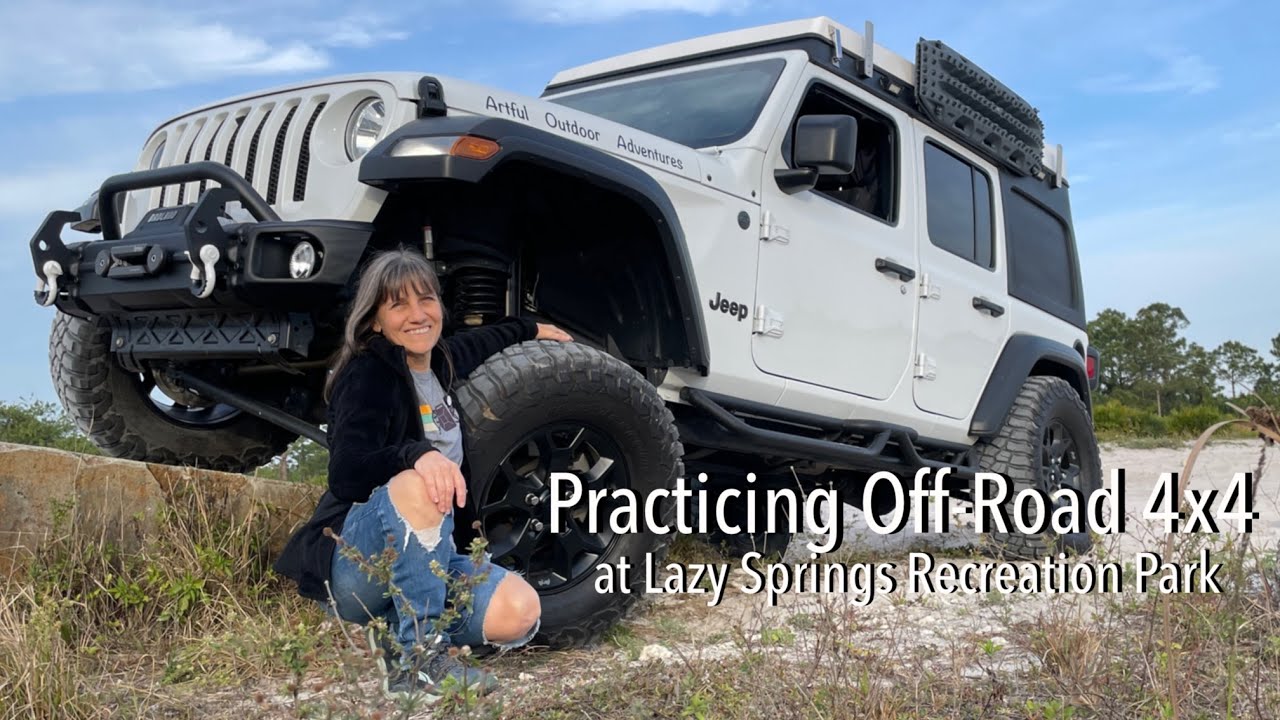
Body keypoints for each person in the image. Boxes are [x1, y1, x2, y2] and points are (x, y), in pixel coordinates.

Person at [273, 248, 573, 700]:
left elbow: (486, 341)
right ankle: (418, 662)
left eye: (426, 300)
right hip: (358, 559)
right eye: (398, 304)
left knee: (520, 611)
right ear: (375, 320)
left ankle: (400, 628)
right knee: (420, 484)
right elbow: (347, 474)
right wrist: (417, 454)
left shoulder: (440, 362)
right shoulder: (368, 373)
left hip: (430, 555)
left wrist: (530, 328)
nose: (417, 314)